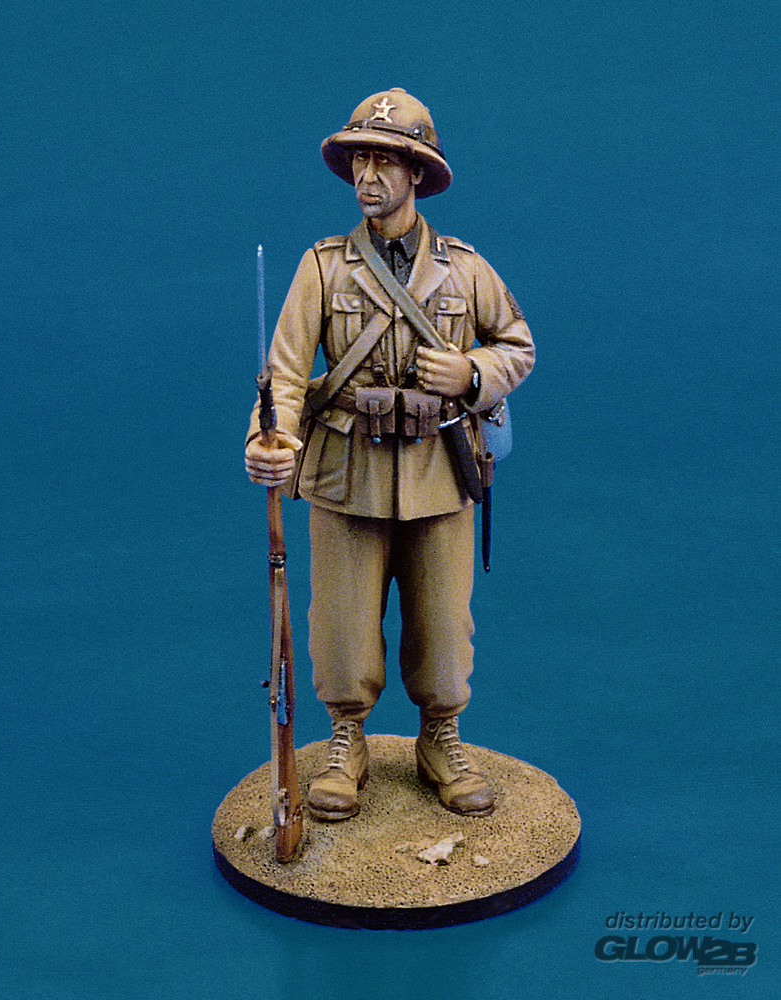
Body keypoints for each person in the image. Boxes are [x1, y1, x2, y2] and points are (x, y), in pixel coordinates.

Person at [246, 88, 535, 822]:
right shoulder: (324, 266)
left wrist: (470, 373)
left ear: (416, 173)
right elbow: (285, 373)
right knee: (341, 628)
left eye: (385, 161)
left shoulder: (464, 268)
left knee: (444, 627)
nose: (367, 176)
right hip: (347, 471)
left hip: (439, 469)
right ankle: (346, 738)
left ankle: (442, 735)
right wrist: (271, 439)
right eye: (359, 161)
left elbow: (517, 345)